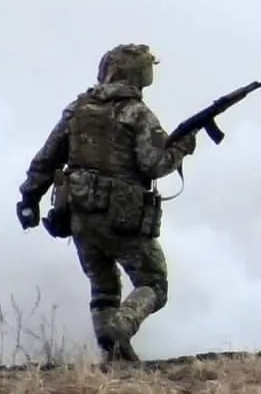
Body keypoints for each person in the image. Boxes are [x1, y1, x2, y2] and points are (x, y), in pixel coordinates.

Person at [15, 43, 197, 362]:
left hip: (79, 215)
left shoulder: (77, 109)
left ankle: (113, 356)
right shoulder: (137, 114)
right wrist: (182, 147)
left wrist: (29, 198)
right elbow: (154, 164)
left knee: (103, 288)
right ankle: (120, 329)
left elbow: (46, 158)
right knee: (153, 283)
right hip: (123, 217)